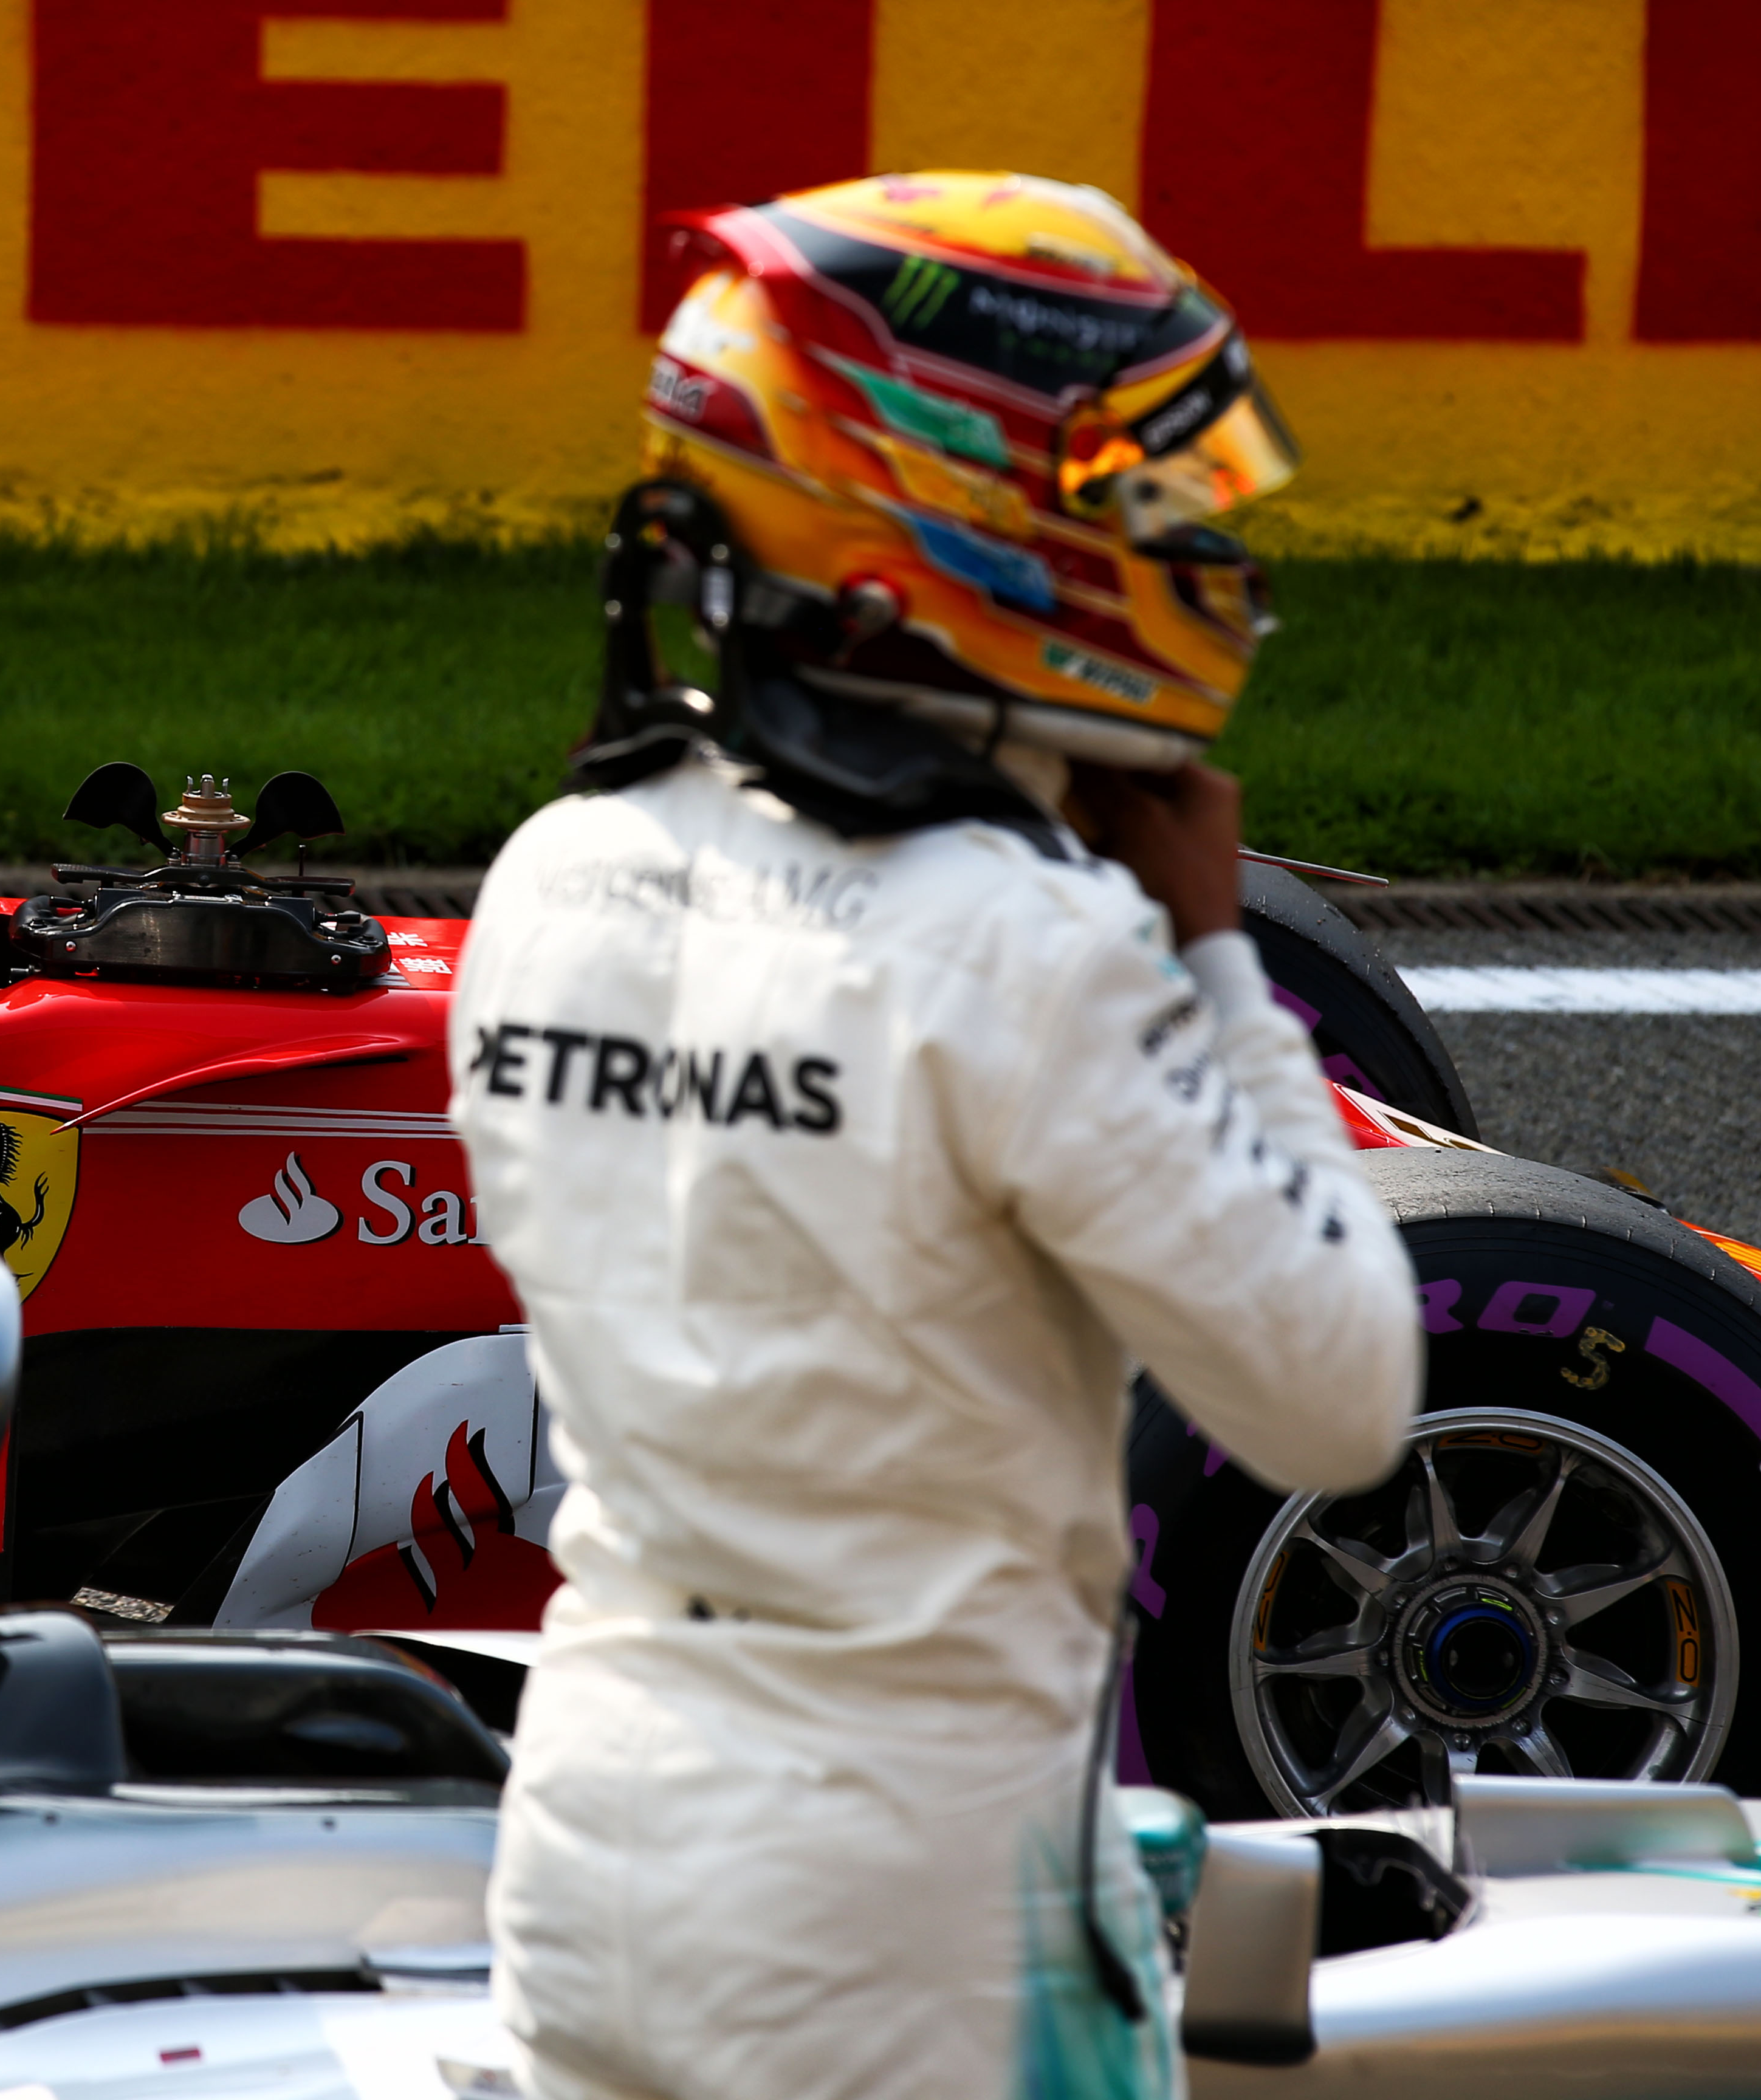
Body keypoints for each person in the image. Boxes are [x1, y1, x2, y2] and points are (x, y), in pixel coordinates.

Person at [453, 173, 1421, 2100]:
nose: (1197, 539)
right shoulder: (1020, 942)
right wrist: (1216, 959)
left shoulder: (555, 869)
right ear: (944, 525)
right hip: (902, 1903)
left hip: (584, 1837)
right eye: (1139, 495)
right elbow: (1342, 1393)